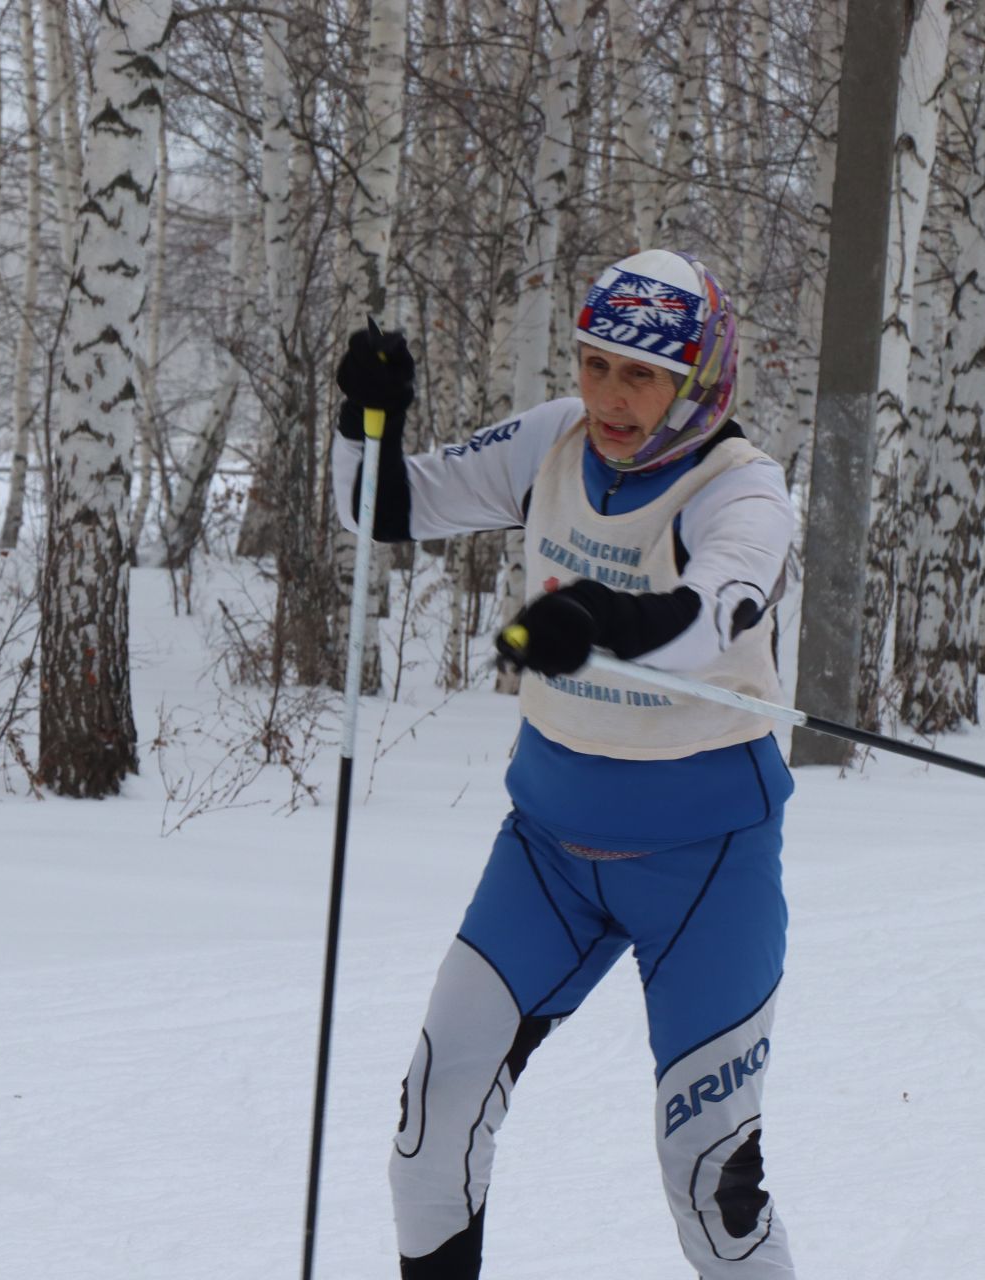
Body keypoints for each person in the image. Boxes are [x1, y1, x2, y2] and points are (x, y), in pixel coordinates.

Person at [332, 249, 798, 1278]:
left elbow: (718, 611)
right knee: (430, 1119)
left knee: (708, 1176)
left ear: (699, 378)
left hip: (703, 864)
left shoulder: (743, 489)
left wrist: (600, 616)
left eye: (641, 376)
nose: (611, 398)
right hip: (546, 847)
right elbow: (384, 510)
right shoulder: (554, 439)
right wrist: (367, 419)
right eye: (594, 365)